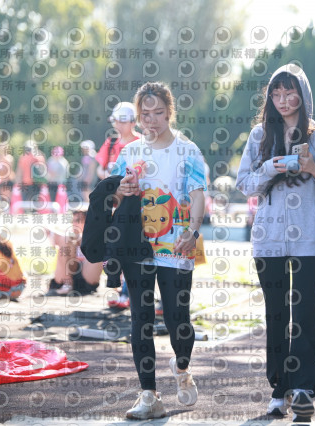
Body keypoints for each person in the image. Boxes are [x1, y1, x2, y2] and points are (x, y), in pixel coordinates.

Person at [236, 64, 315, 421]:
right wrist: (271, 167)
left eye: (290, 92)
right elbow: (244, 184)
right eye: (276, 93)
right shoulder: (259, 135)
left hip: (310, 239)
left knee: (304, 314)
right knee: (277, 314)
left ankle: (302, 389)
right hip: (268, 240)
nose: (283, 100)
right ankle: (279, 389)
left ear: (303, 95)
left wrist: (313, 169)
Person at [111, 82, 206, 420]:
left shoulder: (187, 150)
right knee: (141, 318)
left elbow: (197, 194)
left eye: (158, 113)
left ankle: (182, 367)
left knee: (178, 318)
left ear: (169, 113)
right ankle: (149, 395)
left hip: (178, 243)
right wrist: (122, 189)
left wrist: (193, 231)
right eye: (145, 114)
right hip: (137, 245)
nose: (151, 120)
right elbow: (112, 194)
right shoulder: (129, 152)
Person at [47, 208, 102, 296]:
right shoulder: (66, 236)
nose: (74, 224)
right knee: (66, 239)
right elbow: (51, 234)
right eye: (73, 221)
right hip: (65, 275)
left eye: (79, 221)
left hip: (87, 276)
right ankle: (67, 284)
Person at [95, 102, 140, 181]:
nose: (118, 126)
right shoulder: (111, 142)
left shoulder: (142, 143)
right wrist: (110, 177)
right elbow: (100, 169)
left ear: (133, 122)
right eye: (116, 122)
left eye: (123, 122)